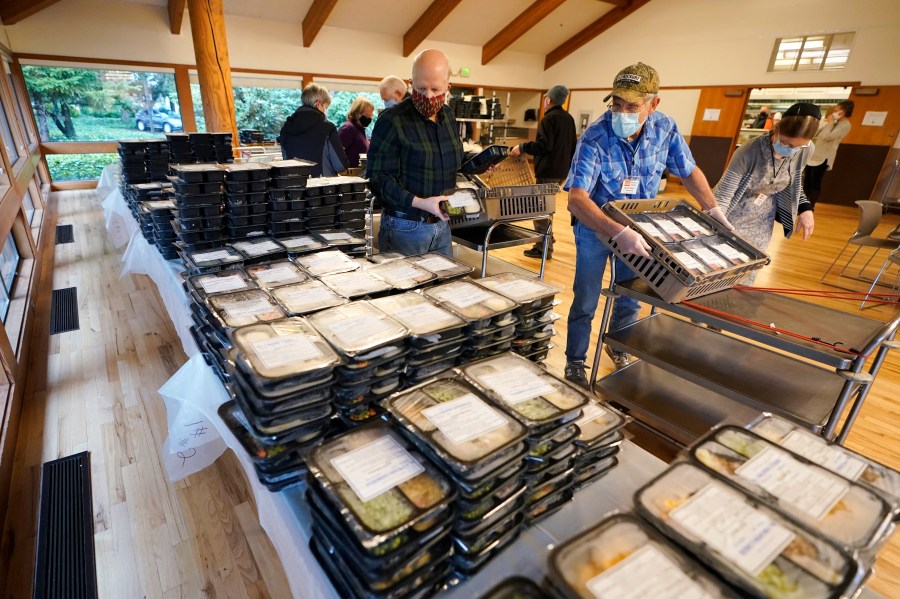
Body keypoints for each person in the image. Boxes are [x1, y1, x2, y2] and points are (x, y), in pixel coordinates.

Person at [563, 62, 732, 387]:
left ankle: (619, 346)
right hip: (596, 228)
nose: (622, 113)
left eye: (632, 106)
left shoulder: (664, 129)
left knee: (631, 296)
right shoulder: (595, 137)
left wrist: (712, 209)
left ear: (653, 104)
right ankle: (575, 361)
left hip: (641, 230)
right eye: (616, 104)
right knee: (586, 299)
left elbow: (688, 170)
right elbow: (577, 200)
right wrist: (617, 231)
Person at [367, 49, 463, 256]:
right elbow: (377, 179)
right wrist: (420, 202)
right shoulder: (392, 120)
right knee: (404, 288)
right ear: (411, 83)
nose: (428, 96)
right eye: (421, 88)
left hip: (442, 225)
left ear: (448, 87)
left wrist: (481, 163)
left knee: (443, 287)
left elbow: (454, 158)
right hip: (405, 226)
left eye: (436, 89)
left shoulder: (448, 117)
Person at [714, 102, 820, 283]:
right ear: (776, 129)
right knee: (719, 266)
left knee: (747, 269)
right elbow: (723, 196)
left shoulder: (806, 149)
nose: (790, 150)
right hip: (732, 216)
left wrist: (805, 208)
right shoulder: (750, 151)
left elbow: (793, 182)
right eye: (785, 143)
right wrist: (714, 227)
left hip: (763, 219)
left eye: (797, 147)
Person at [509, 84, 577, 259]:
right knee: (545, 207)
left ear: (549, 99)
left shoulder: (549, 119)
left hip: (548, 171)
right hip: (562, 171)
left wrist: (522, 146)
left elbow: (544, 146)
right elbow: (572, 146)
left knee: (539, 209)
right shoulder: (568, 118)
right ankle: (548, 240)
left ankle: (543, 247)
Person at [278, 84, 349, 177]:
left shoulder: (287, 128)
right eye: (326, 107)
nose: (325, 110)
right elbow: (340, 166)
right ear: (318, 104)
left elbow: (286, 161)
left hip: (294, 187)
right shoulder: (327, 128)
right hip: (323, 188)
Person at [804, 99, 854, 208]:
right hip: (813, 155)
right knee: (806, 181)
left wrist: (830, 124)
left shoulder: (845, 125)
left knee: (815, 182)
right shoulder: (832, 123)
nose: (834, 112)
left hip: (824, 157)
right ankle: (801, 204)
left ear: (844, 111)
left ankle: (809, 206)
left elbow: (828, 137)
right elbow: (815, 132)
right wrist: (826, 122)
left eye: (837, 110)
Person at [338, 97, 374, 168]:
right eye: (366, 115)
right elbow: (336, 152)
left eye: (370, 116)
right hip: (349, 175)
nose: (368, 119)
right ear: (356, 113)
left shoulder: (360, 129)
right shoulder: (348, 128)